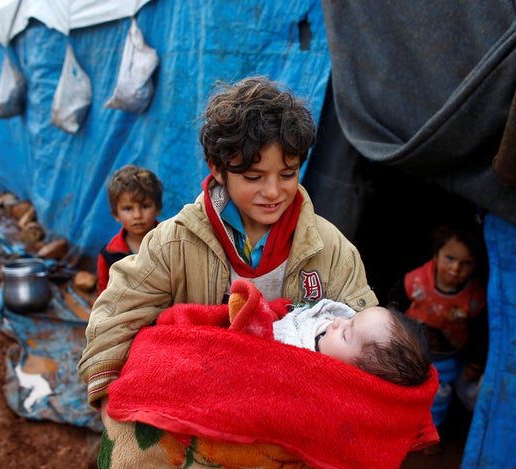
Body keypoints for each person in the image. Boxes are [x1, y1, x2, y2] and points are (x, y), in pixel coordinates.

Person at [78, 74, 378, 416]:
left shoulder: (330, 248)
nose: (273, 192)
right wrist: (110, 405)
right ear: (218, 168)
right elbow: (115, 318)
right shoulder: (173, 242)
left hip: (291, 419)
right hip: (195, 412)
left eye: (287, 174)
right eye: (253, 176)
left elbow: (367, 335)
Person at [387, 222, 488, 429]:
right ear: (436, 255)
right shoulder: (415, 283)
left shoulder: (475, 299)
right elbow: (391, 309)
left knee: (438, 398)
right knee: (398, 390)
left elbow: (481, 336)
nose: (455, 268)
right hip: (409, 354)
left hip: (448, 361)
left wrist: (475, 365)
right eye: (450, 258)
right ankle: (394, 427)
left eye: (466, 263)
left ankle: (429, 433)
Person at [273, 299, 431, 386]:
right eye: (351, 319)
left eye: (345, 335)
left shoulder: (311, 378)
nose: (338, 321)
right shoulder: (329, 320)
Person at [96, 165, 163, 294]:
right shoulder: (109, 255)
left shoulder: (170, 242)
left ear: (158, 208)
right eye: (128, 209)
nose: (137, 215)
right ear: (116, 214)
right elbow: (105, 296)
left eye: (145, 206)